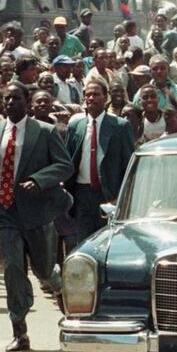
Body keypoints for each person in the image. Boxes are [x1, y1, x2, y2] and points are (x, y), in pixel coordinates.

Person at [0, 81, 73, 351]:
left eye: (16, 98)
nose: (10, 103)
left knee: (44, 270)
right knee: (13, 269)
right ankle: (19, 330)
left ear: (27, 101)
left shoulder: (43, 131)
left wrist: (39, 179)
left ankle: (65, 299)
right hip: (6, 210)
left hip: (37, 213)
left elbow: (64, 165)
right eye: (6, 98)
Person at [65, 79, 133, 243]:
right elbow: (68, 160)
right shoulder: (76, 127)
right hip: (82, 194)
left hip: (109, 194)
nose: (91, 98)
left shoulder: (120, 126)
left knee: (107, 241)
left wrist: (121, 196)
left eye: (96, 94)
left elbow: (128, 165)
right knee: (84, 241)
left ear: (106, 98)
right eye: (87, 95)